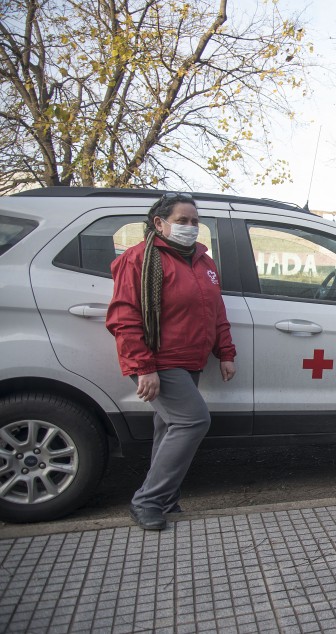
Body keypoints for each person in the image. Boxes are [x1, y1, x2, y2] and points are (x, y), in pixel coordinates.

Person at [107, 192, 236, 531]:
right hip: (160, 359)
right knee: (192, 422)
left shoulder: (202, 261)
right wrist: (143, 368)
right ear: (159, 223)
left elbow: (216, 311)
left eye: (195, 222)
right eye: (182, 221)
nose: (190, 227)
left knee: (168, 428)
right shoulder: (139, 259)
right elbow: (125, 317)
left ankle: (164, 499)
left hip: (190, 359)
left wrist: (225, 352)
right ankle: (147, 501)